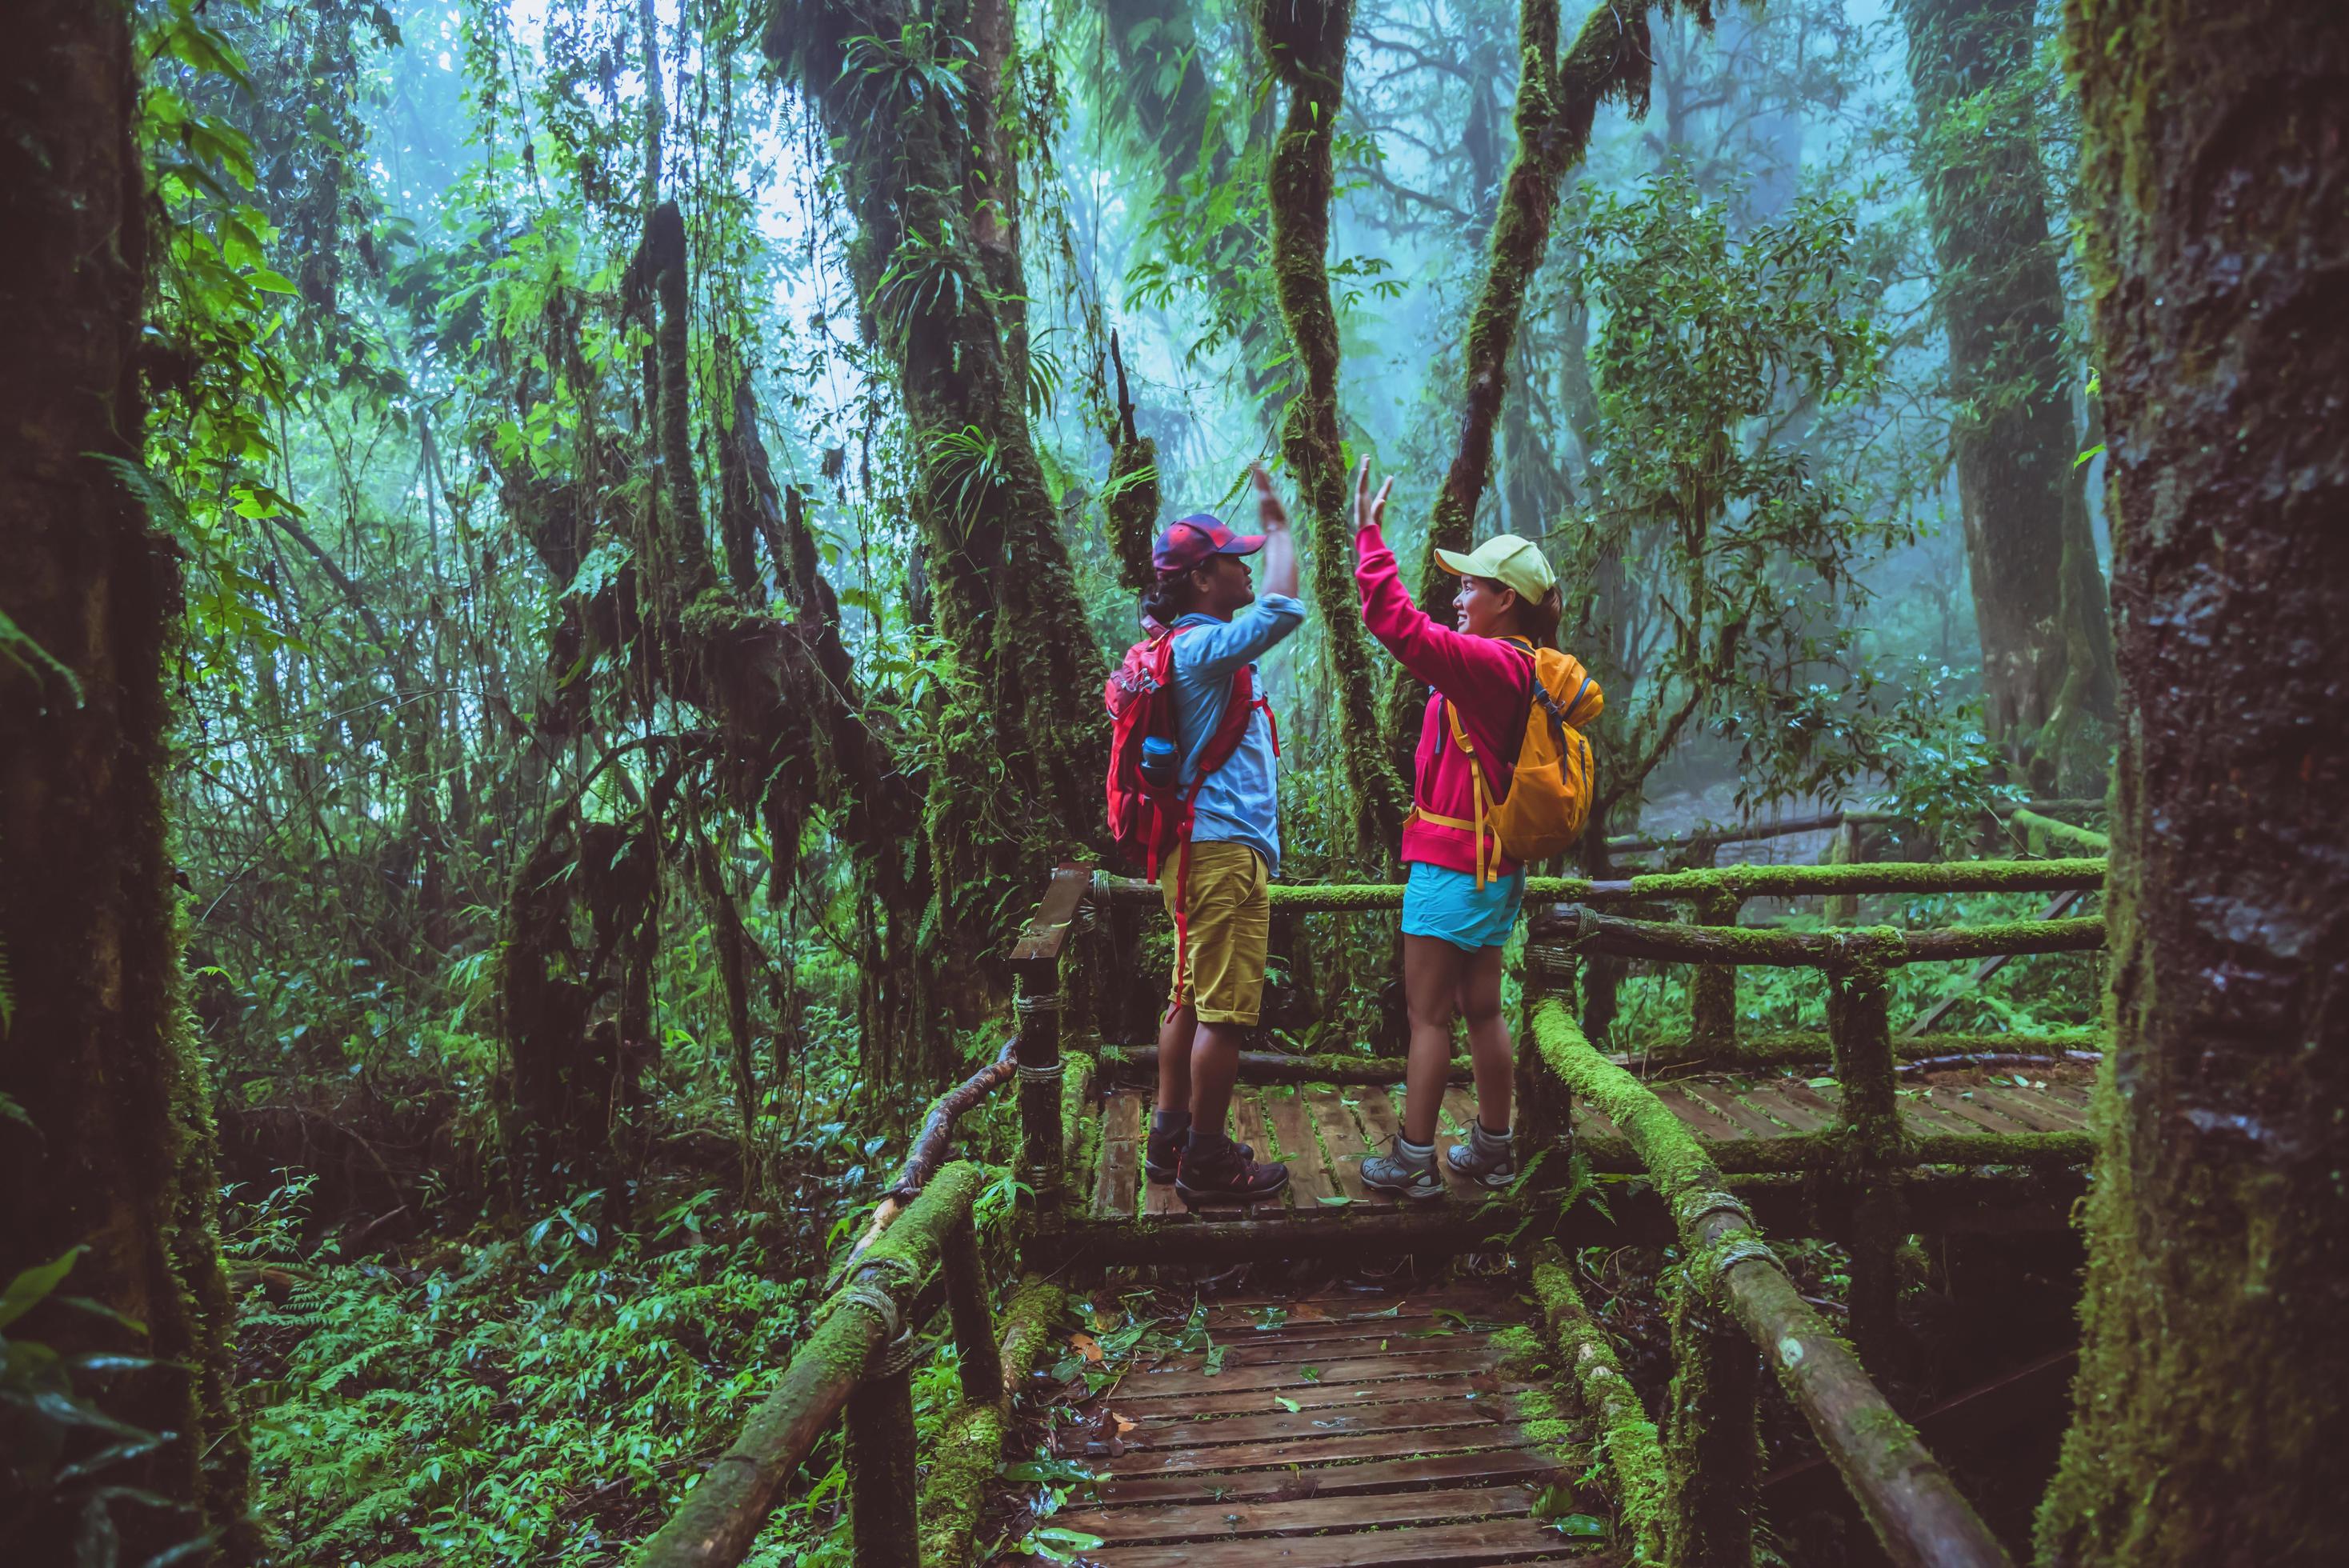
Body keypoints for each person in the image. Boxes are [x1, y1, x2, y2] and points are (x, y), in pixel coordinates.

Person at [1351, 458, 1567, 1199]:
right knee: (1481, 1008)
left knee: (1427, 1018)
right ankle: (1493, 1147)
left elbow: (1398, 627)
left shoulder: (1490, 666)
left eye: (1472, 584)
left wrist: (1369, 541)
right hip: (1492, 870)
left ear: (1507, 600)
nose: (1459, 593)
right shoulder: (1524, 667)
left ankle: (1415, 1161)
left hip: (1452, 869)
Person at [1142, 466, 1300, 1205]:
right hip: (1221, 850)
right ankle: (1206, 1162)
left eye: (1249, 553)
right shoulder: (1202, 651)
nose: (1245, 566)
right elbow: (1282, 612)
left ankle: (1170, 1136)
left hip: (1194, 849)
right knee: (1224, 1011)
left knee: (1185, 998)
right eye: (1233, 558)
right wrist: (1281, 532)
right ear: (1203, 577)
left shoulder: (1177, 648)